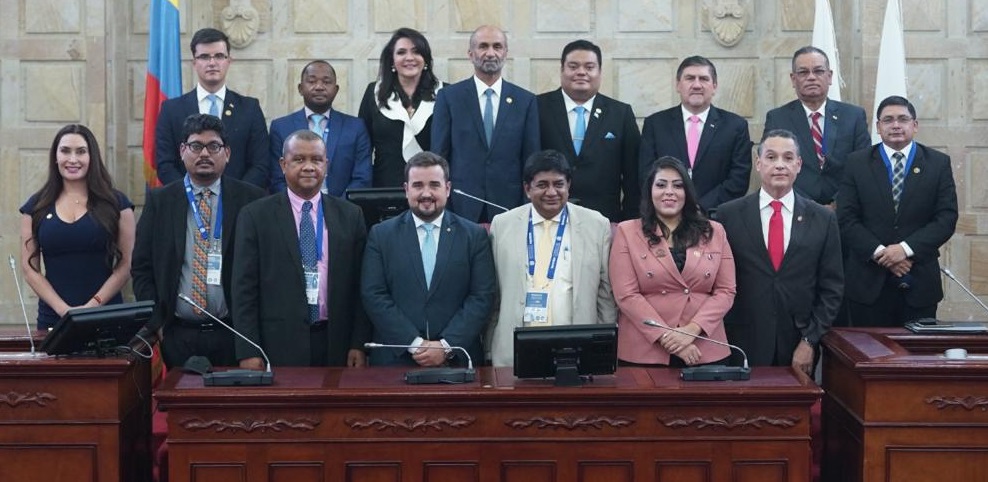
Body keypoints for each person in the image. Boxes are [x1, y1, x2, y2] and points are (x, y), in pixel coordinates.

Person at [132, 114, 266, 368]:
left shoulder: (252, 200)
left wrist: (252, 338)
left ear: (227, 153)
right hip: (176, 334)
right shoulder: (161, 201)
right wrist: (156, 323)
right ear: (182, 151)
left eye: (213, 146)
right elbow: (141, 267)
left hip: (234, 334)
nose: (204, 153)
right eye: (196, 146)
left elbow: (263, 271)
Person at [232, 130, 370, 368]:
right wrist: (248, 348)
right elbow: (243, 289)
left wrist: (359, 343)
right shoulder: (255, 216)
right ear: (283, 165)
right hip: (277, 346)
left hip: (336, 343)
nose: (308, 167)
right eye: (299, 160)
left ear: (326, 165)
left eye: (316, 160)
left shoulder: (351, 215)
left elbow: (361, 286)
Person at [718, 129, 843, 373]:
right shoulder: (728, 215)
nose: (779, 166)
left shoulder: (822, 218)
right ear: (758, 163)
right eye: (771, 157)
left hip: (798, 342)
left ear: (799, 165)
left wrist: (810, 340)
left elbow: (832, 288)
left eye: (787, 158)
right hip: (741, 341)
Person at [361, 151, 495, 366]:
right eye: (417, 185)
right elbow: (373, 294)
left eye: (434, 185)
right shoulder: (381, 235)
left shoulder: (474, 236)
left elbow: (482, 296)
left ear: (448, 189)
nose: (426, 193)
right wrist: (414, 344)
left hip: (457, 360)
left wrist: (446, 346)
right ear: (406, 190)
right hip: (396, 359)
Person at [489, 150, 617, 367]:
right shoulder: (502, 225)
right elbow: (493, 294)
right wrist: (489, 348)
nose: (551, 192)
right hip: (514, 348)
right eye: (542, 185)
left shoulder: (596, 225)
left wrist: (603, 346)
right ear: (527, 189)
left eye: (558, 184)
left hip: (577, 345)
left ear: (569, 186)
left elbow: (605, 294)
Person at [838, 96, 958, 327]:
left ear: (915, 125)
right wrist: (883, 254)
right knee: (867, 357)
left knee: (917, 359)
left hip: (919, 281)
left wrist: (904, 250)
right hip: (867, 284)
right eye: (888, 120)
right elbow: (846, 218)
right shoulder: (856, 163)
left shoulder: (938, 163)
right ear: (878, 127)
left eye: (903, 119)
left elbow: (946, 218)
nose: (895, 125)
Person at [608, 156, 735, 366]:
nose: (669, 192)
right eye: (661, 185)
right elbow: (626, 295)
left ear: (687, 192)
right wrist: (671, 339)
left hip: (704, 348)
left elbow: (726, 290)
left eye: (678, 186)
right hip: (645, 351)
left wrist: (692, 331)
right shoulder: (627, 232)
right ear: (650, 191)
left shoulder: (714, 232)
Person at [19, 124, 135, 330]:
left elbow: (126, 266)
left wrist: (91, 306)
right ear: (55, 156)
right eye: (65, 151)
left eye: (81, 152)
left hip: (106, 316)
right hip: (54, 320)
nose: (72, 159)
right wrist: (64, 310)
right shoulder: (35, 206)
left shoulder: (117, 204)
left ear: (92, 157)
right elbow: (30, 270)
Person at [432, 25, 540, 223]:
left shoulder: (525, 101)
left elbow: (531, 160)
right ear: (471, 53)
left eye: (497, 46)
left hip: (510, 207)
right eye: (483, 46)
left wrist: (527, 203)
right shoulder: (449, 98)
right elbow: (440, 157)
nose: (490, 53)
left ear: (506, 52)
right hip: (461, 206)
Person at [537, 40, 640, 222]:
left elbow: (633, 176)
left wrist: (628, 222)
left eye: (589, 67)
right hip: (546, 216)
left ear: (599, 72)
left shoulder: (620, 113)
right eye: (573, 66)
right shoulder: (537, 107)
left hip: (604, 219)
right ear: (562, 70)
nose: (581, 72)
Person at [155, 28, 269, 188]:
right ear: (194, 63)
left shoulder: (249, 108)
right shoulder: (171, 110)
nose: (212, 63)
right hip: (186, 204)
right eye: (204, 57)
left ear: (229, 61)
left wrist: (234, 197)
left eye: (219, 56)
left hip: (239, 207)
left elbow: (260, 164)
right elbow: (165, 164)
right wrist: (192, 195)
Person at [638, 56, 752, 213]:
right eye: (690, 78)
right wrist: (674, 204)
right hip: (666, 217)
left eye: (704, 79)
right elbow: (647, 174)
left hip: (716, 217)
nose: (697, 85)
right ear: (678, 85)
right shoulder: (655, 124)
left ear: (714, 86)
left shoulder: (735, 126)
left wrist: (699, 207)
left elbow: (739, 179)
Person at [764, 46, 869, 207]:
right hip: (796, 210)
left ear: (830, 76)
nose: (811, 77)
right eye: (803, 72)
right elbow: (772, 167)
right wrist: (808, 206)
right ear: (793, 79)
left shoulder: (854, 116)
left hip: (845, 211)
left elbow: (862, 167)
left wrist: (837, 204)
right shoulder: (777, 118)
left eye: (818, 71)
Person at [358, 28, 445, 188]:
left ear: (425, 59)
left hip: (431, 189)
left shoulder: (445, 93)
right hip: (384, 188)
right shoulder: (373, 93)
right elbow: (363, 147)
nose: (409, 58)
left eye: (416, 52)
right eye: (401, 52)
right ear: (392, 60)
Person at [269, 60, 372, 195]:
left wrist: (338, 209)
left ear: (336, 90)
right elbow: (277, 178)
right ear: (300, 88)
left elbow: (362, 178)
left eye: (326, 82)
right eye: (311, 81)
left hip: (343, 210)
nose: (319, 87)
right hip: (293, 210)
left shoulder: (355, 127)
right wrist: (299, 205)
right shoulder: (281, 127)